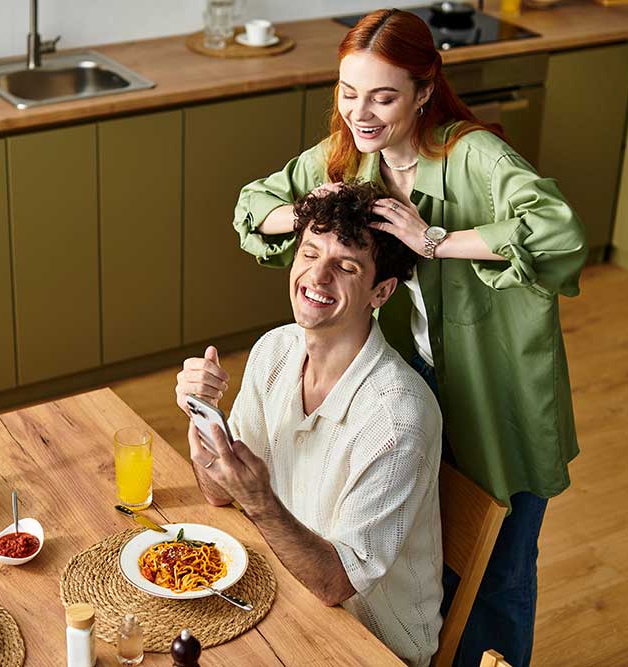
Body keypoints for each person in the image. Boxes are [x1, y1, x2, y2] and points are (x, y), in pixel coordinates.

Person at [230, 9, 587, 667]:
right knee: (425, 554)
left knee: (498, 576)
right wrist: (308, 208)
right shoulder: (345, 154)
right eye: (348, 91)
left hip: (497, 396)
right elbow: (252, 207)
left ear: (424, 91)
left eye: (383, 96)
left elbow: (559, 232)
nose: (360, 113)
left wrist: (436, 240)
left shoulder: (473, 155)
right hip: (413, 384)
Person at [175, 183, 444, 667]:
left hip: (369, 642)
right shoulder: (276, 350)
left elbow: (336, 584)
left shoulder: (397, 417)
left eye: (346, 266)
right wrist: (202, 428)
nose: (316, 277)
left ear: (381, 291)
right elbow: (220, 495)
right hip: (279, 586)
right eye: (310, 252)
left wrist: (256, 497)